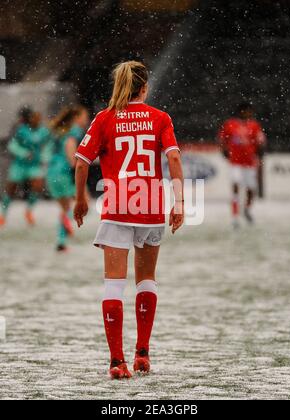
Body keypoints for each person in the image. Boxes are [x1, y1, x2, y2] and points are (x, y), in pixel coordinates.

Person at [73, 61, 184, 379]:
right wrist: (179, 202)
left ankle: (116, 362)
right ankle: (143, 355)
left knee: (113, 284)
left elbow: (82, 163)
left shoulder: (105, 118)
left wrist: (81, 199)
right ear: (144, 88)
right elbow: (173, 158)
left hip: (118, 207)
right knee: (146, 279)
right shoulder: (160, 118)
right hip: (149, 207)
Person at [47, 106, 89, 252]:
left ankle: (61, 242)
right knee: (85, 201)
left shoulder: (59, 130)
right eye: (84, 116)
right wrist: (74, 162)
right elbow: (70, 144)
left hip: (51, 172)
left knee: (65, 209)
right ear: (77, 117)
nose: (86, 120)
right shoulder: (75, 130)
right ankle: (65, 227)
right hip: (64, 172)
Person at [218, 102, 266, 227]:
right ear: (241, 111)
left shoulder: (255, 125)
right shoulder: (230, 124)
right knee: (235, 185)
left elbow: (261, 142)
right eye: (247, 111)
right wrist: (224, 151)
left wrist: (260, 155)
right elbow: (222, 139)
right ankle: (234, 216)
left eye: (250, 111)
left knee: (251, 189)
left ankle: (247, 209)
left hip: (250, 163)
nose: (249, 113)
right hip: (236, 162)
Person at [0, 108, 50, 227]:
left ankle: (29, 211)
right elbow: (12, 145)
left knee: (38, 185)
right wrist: (24, 153)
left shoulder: (43, 131)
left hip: (34, 165)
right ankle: (3, 214)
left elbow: (47, 145)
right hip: (19, 165)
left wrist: (45, 157)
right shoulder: (21, 130)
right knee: (11, 188)